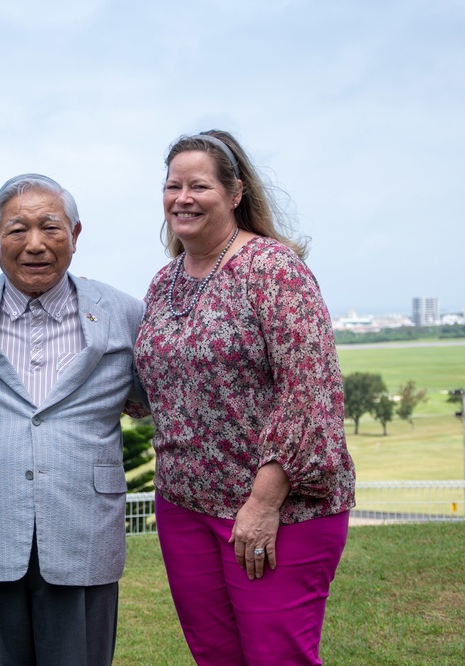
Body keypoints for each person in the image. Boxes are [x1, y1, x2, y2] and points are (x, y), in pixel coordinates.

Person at [133, 131, 356, 665]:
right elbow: (150, 386)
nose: (182, 198)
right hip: (184, 504)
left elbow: (310, 392)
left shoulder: (274, 270)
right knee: (216, 657)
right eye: (172, 186)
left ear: (234, 194)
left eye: (199, 186)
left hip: (278, 509)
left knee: (277, 657)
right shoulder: (164, 284)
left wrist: (263, 504)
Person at [0, 174, 148, 666]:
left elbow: (160, 399)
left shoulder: (125, 313)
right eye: (17, 229)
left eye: (51, 227)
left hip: (83, 529)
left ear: (75, 233)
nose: (35, 245)